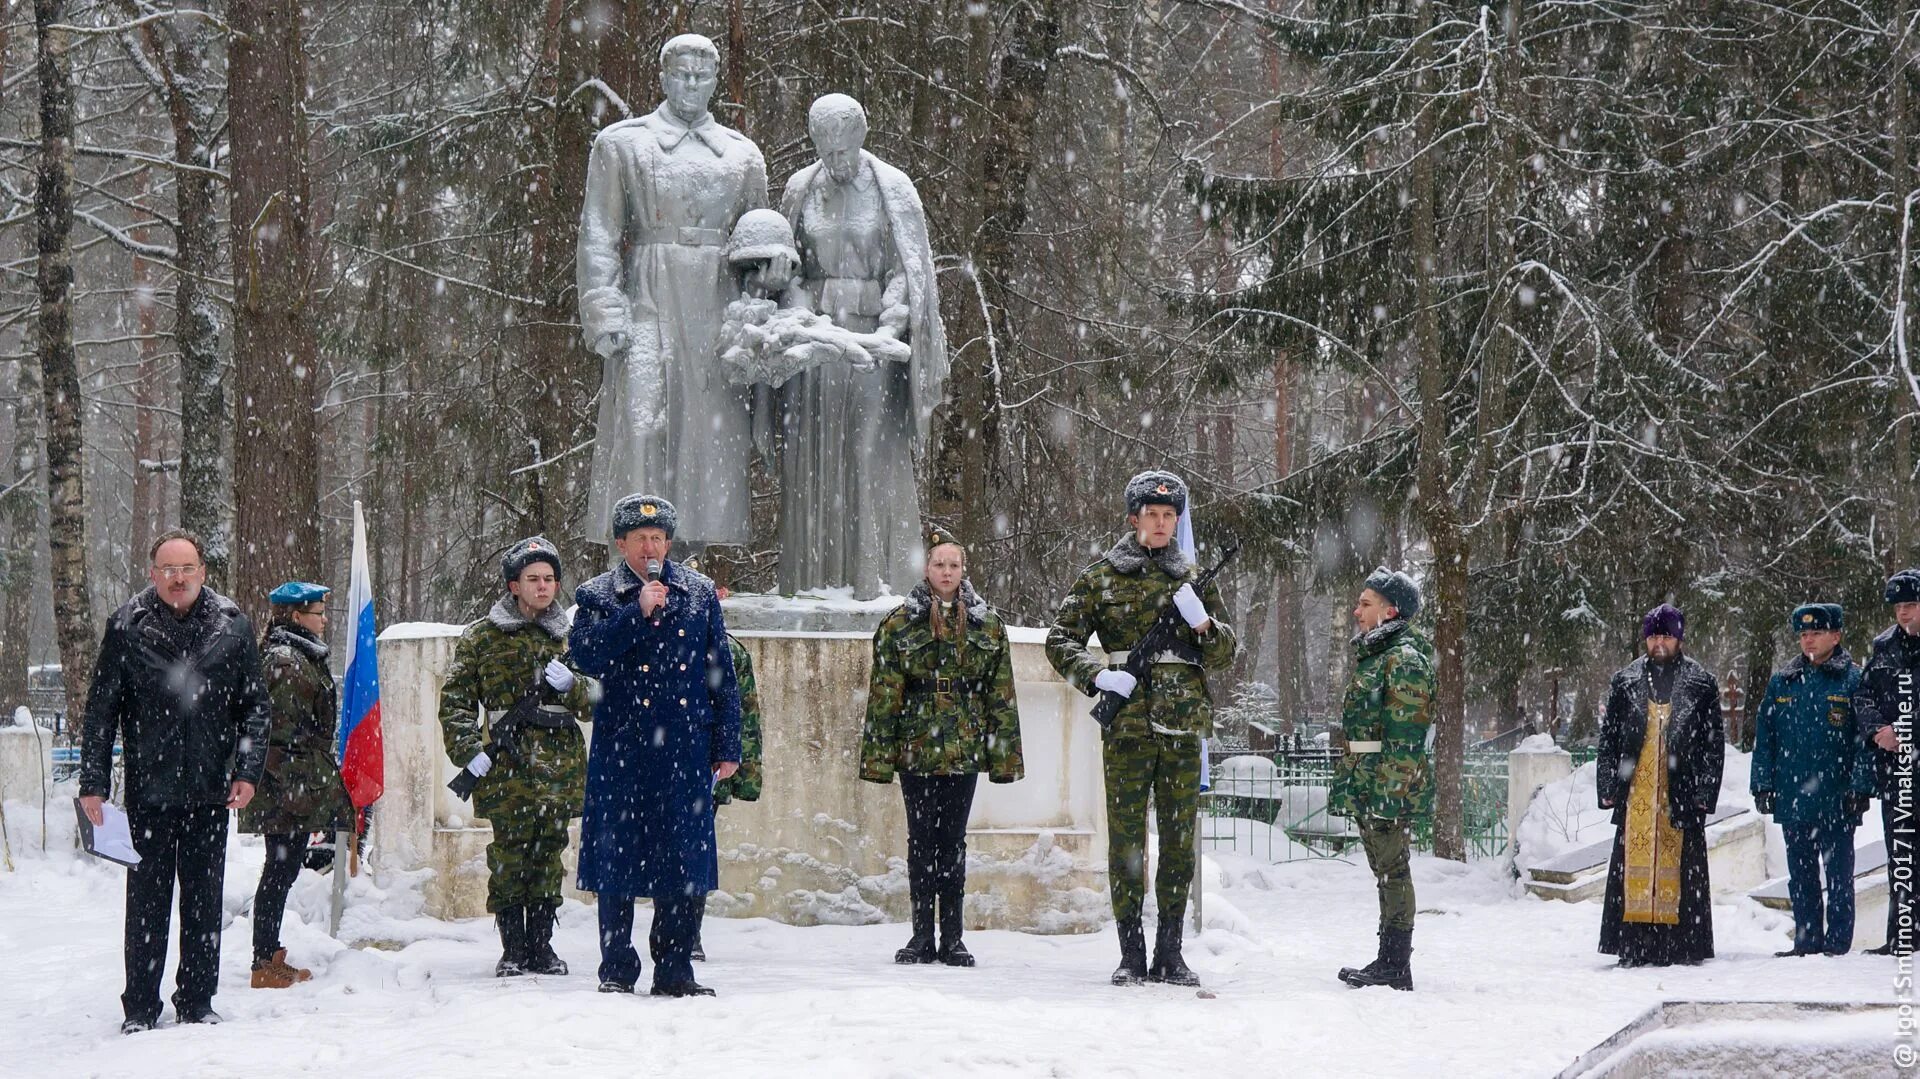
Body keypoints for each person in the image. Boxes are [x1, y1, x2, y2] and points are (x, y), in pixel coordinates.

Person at [575, 33, 773, 551]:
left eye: (701, 74)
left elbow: (760, 244)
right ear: (662, 77)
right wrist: (604, 312)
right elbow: (598, 234)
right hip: (650, 292)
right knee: (645, 429)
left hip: (716, 302)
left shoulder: (742, 156)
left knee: (712, 440)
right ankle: (637, 554)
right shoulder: (623, 143)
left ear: (715, 81)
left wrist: (756, 316)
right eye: (680, 73)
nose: (691, 83)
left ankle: (693, 563)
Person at [1045, 471, 1236, 987]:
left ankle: (1170, 953)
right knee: (1128, 842)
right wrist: (1097, 675)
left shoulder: (1194, 579)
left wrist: (1204, 626)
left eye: (1169, 515)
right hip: (1127, 726)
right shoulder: (1102, 575)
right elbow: (1058, 640)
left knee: (1177, 843)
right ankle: (1131, 952)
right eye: (1151, 515)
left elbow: (1225, 653)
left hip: (1180, 727)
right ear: (1134, 520)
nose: (1160, 523)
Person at [78, 529, 271, 1032]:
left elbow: (255, 707)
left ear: (203, 573)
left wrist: (246, 772)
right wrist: (93, 781)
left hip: (210, 790)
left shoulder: (232, 627)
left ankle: (196, 1000)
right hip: (151, 794)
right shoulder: (126, 627)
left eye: (186, 568)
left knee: (204, 902)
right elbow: (101, 712)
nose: (178, 578)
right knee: (147, 904)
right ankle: (140, 1007)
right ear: (153, 574)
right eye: (168, 569)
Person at [775, 93, 950, 597]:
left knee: (868, 450)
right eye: (827, 154)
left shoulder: (893, 189)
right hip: (818, 338)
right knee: (813, 450)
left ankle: (874, 579)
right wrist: (803, 315)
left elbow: (907, 272)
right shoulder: (800, 189)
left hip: (875, 340)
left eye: (845, 151)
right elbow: (787, 267)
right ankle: (813, 578)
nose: (837, 163)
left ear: (862, 138)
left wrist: (891, 326)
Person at [571, 495, 742, 997]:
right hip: (623, 748)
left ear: (669, 543)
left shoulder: (698, 591)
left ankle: (675, 969)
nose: (651, 548)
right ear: (621, 544)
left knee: (682, 859)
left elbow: (721, 674)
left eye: (659, 539)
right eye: (641, 539)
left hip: (684, 747)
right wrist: (634, 614)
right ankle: (617, 968)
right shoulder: (599, 594)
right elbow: (586, 655)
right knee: (616, 861)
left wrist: (727, 743)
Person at [861, 526, 1024, 967]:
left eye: (953, 564)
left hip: (965, 747)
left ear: (963, 569)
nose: (946, 572)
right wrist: (879, 757)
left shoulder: (986, 624)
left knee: (953, 842)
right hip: (916, 746)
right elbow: (884, 694)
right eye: (938, 564)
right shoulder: (899, 623)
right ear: (926, 568)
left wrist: (1004, 757)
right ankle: (920, 937)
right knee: (920, 842)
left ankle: (953, 937)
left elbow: (1000, 693)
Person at [438, 536, 592, 976]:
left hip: (559, 767)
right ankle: (513, 948)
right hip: (506, 767)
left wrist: (574, 686)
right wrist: (469, 753)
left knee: (548, 854)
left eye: (549, 579)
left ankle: (542, 946)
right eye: (533, 578)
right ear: (513, 585)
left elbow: (599, 698)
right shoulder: (483, 637)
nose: (543, 587)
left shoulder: (572, 638)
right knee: (508, 858)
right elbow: (456, 700)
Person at [1596, 603, 1725, 967]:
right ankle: (1635, 946)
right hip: (1637, 790)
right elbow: (1609, 739)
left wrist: (1704, 792)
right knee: (1632, 869)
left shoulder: (1701, 682)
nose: (1659, 642)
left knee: (1680, 869)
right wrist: (1608, 783)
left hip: (1679, 792)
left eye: (1666, 635)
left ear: (1679, 638)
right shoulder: (1626, 680)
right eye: (1654, 635)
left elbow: (1714, 744)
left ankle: (1679, 944)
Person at [239, 581, 353, 989]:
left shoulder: (299, 654)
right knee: (279, 871)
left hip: (294, 786)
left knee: (282, 871)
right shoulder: (286, 662)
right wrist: (300, 795)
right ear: (294, 616)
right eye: (318, 613)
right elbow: (280, 738)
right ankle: (263, 961)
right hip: (286, 789)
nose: (324, 620)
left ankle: (269, 954)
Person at [1328, 568, 1435, 991]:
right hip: (1370, 780)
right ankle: (1389, 959)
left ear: (1390, 612)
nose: (1357, 612)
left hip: (1385, 784)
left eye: (1365, 604)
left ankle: (1394, 964)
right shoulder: (1380, 655)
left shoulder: (1403, 658)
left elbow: (1406, 737)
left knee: (1393, 869)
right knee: (1385, 870)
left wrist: (1388, 794)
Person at [1750, 603, 1873, 956]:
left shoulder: (1852, 680)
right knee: (1801, 877)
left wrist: (1860, 786)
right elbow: (1766, 736)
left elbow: (1864, 739)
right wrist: (1762, 783)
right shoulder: (1782, 682)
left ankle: (1836, 945)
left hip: (1836, 798)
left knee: (1838, 878)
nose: (1809, 640)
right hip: (1794, 797)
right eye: (1804, 634)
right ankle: (1806, 942)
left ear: (1836, 635)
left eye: (1816, 633)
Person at [1855, 568, 1920, 955]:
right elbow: (1862, 695)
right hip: (1895, 770)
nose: (1903, 613)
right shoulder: (1885, 647)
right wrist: (1878, 730)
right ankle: (1902, 935)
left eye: (1911, 605)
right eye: (1899, 606)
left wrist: (1904, 729)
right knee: (1900, 854)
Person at [694, 623, 764, 963]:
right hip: (664, 763)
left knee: (696, 852)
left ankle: (688, 933)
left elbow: (742, 713)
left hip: (705, 765)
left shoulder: (728, 651)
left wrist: (742, 773)